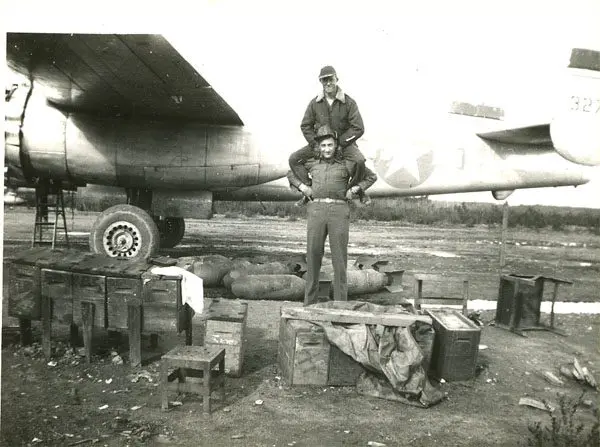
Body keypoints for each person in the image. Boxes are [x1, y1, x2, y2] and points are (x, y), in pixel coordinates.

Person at [287, 125, 377, 306]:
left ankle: (340, 305)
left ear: (336, 146)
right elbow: (291, 172)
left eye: (330, 145)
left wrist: (356, 188)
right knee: (313, 257)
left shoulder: (347, 163)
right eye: (323, 146)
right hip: (316, 210)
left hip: (339, 211)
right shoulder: (311, 163)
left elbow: (371, 176)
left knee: (339, 261)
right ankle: (309, 304)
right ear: (318, 147)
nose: (327, 149)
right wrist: (302, 186)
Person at [289, 65, 371, 204]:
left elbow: (358, 128)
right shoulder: (314, 103)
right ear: (320, 82)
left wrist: (341, 143)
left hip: (344, 145)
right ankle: (310, 190)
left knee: (359, 161)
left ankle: (355, 191)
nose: (328, 83)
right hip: (322, 145)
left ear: (336, 79)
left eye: (330, 79)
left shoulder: (349, 103)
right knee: (294, 159)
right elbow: (305, 126)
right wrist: (315, 145)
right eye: (324, 80)